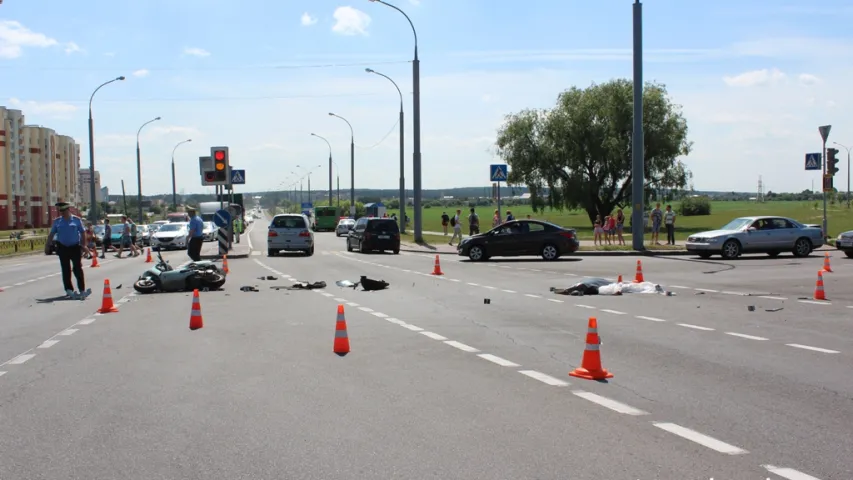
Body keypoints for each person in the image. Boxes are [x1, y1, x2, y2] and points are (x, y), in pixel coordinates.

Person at [47, 202, 91, 299]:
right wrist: (48, 245)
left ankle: (82, 289)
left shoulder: (76, 220)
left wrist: (84, 245)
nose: (62, 213)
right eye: (60, 211)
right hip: (62, 247)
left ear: (68, 210)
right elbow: (51, 234)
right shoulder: (57, 221)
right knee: (65, 269)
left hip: (75, 247)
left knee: (77, 268)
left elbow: (83, 233)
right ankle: (69, 289)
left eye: (63, 211)